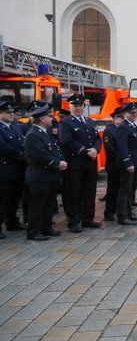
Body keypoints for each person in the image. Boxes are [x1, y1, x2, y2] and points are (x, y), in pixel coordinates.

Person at [23, 101, 67, 241]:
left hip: (49, 176)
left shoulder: (44, 132)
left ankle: (46, 228)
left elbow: (55, 149)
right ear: (41, 119)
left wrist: (61, 160)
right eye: (48, 116)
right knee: (38, 205)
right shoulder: (33, 135)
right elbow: (41, 155)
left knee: (48, 204)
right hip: (39, 177)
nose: (51, 118)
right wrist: (57, 164)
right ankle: (33, 232)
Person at [59, 93, 101, 233]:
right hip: (75, 164)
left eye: (80, 105)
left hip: (90, 164)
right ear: (70, 107)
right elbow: (67, 141)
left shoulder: (90, 121)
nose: (78, 108)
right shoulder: (65, 122)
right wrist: (85, 151)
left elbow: (98, 139)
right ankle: (73, 222)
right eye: (75, 105)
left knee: (89, 192)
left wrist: (95, 149)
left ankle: (88, 219)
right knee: (73, 194)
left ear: (84, 106)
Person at [115, 102, 137, 225]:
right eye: (131, 113)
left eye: (135, 113)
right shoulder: (123, 126)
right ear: (125, 114)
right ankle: (122, 216)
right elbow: (122, 146)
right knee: (124, 190)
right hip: (127, 165)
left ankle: (129, 213)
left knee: (131, 190)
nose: (134, 115)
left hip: (135, 163)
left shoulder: (133, 126)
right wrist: (128, 163)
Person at [0, 101, 27, 238]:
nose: (12, 114)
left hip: (18, 168)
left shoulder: (15, 126)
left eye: (12, 112)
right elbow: (3, 146)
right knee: (2, 199)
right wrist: (20, 154)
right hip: (5, 169)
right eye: (8, 112)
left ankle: (12, 221)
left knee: (14, 198)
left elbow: (22, 142)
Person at [103, 107, 123, 221]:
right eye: (121, 118)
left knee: (122, 189)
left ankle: (120, 210)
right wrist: (123, 157)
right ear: (115, 118)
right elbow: (110, 149)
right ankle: (109, 213)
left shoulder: (122, 128)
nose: (122, 120)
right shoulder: (109, 130)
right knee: (113, 189)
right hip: (113, 165)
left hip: (122, 165)